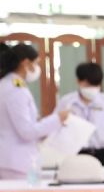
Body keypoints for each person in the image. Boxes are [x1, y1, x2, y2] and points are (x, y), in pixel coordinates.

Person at [0, 43, 68, 180]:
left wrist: (44, 127)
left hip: (11, 159)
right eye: (36, 63)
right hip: (17, 163)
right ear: (25, 63)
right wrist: (57, 119)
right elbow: (27, 132)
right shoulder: (16, 90)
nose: (37, 68)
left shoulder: (8, 85)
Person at [58, 61, 104, 166]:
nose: (92, 88)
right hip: (79, 153)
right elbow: (55, 125)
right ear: (78, 81)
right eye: (88, 84)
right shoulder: (67, 102)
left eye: (96, 85)